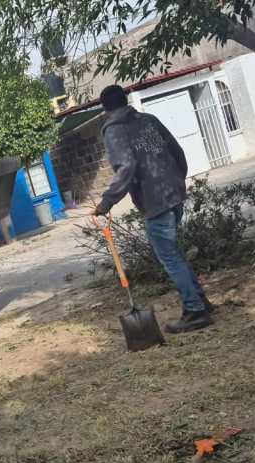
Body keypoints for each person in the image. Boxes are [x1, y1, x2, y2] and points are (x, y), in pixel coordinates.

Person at [93, 84, 214, 333]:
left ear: (105, 109)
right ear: (125, 100)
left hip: (156, 201)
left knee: (169, 257)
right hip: (174, 193)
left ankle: (195, 311)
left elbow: (125, 167)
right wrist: (177, 180)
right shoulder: (148, 120)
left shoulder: (115, 130)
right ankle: (201, 302)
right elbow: (176, 151)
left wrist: (106, 202)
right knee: (175, 253)